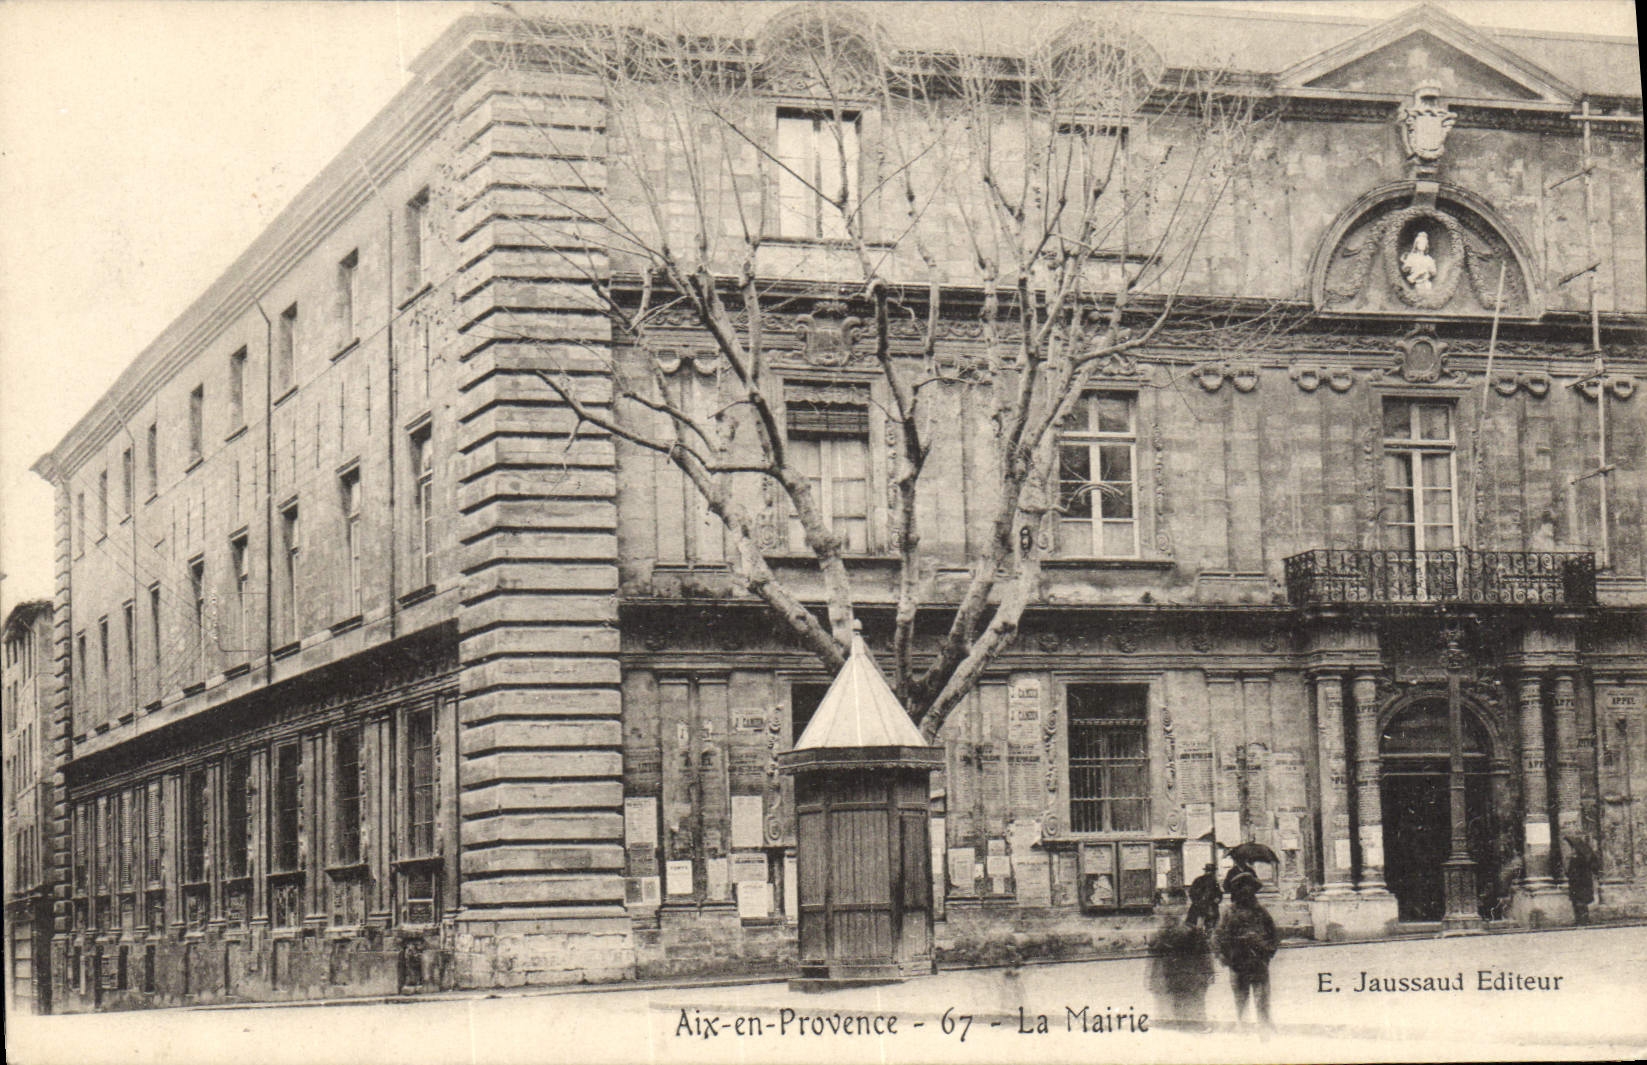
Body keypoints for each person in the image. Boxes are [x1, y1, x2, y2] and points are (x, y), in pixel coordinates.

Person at [1215, 872, 1279, 1028]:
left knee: (1261, 998)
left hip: (1258, 960)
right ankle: (1243, 1029)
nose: (1245, 893)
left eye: (1249, 889)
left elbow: (1273, 934)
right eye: (1241, 889)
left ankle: (1265, 1031)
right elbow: (1218, 936)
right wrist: (1224, 955)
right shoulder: (1229, 912)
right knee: (1241, 999)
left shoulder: (1260, 911)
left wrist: (1267, 950)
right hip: (1237, 960)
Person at [1148, 914, 1215, 1031]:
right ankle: (1196, 1026)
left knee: (1179, 1002)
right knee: (1194, 1002)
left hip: (1175, 975)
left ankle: (1184, 1026)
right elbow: (1205, 953)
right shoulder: (1193, 931)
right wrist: (1209, 971)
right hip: (1190, 975)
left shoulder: (1160, 935)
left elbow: (1154, 959)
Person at [1565, 838, 1595, 925]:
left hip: (1581, 884)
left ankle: (1583, 920)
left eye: (1573, 848)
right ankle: (1580, 920)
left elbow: (1575, 873)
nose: (1572, 850)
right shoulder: (1575, 859)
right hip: (1577, 884)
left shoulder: (1580, 860)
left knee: (1581, 902)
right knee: (1577, 902)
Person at [1187, 863, 1222, 930]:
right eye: (1208, 871)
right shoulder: (1198, 880)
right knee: (1194, 926)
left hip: (1211, 906)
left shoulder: (1215, 882)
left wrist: (1218, 898)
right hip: (1198, 906)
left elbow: (1219, 893)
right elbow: (1192, 892)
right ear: (1205, 871)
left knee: (1211, 926)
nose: (1210, 873)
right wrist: (1197, 901)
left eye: (1212, 871)